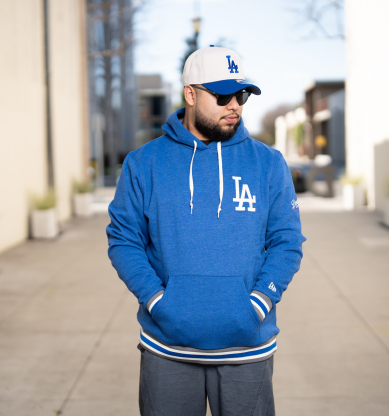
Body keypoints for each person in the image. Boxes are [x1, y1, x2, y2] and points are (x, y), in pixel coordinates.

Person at [106, 45, 306, 416]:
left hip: (247, 348)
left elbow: (287, 242)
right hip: (167, 347)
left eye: (241, 95)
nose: (235, 106)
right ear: (190, 94)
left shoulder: (268, 163)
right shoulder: (144, 163)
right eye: (222, 95)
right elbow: (124, 240)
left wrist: (258, 303)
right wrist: (157, 301)